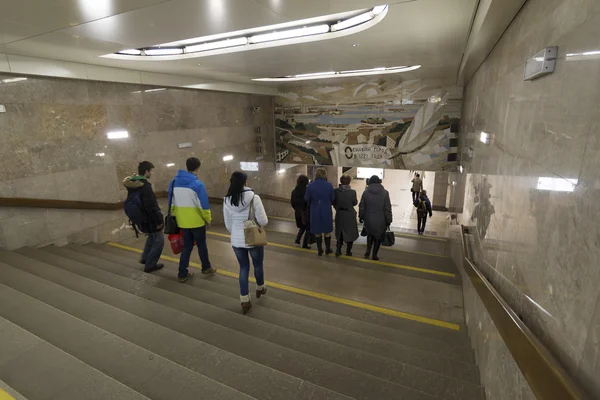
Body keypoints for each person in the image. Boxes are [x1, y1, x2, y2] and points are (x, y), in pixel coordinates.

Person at [224, 172, 269, 314]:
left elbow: (228, 224)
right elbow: (263, 221)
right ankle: (260, 286)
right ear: (245, 182)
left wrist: (237, 233)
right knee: (257, 264)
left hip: (236, 241)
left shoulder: (226, 200)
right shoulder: (254, 198)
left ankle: (244, 299)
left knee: (243, 268)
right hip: (253, 240)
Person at [168, 157, 216, 282]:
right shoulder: (198, 185)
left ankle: (182, 273)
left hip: (182, 222)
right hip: (197, 222)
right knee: (201, 245)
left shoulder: (173, 182)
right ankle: (206, 267)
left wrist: (175, 215)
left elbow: (171, 203)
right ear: (198, 168)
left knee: (187, 246)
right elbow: (204, 205)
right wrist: (208, 219)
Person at [123, 161, 164, 273]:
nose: (152, 173)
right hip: (150, 219)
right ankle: (150, 265)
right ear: (146, 171)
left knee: (151, 237)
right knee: (159, 241)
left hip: (141, 218)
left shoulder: (133, 184)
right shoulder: (145, 187)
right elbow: (151, 206)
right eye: (151, 171)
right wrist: (159, 220)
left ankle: (145, 258)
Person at [359, 175, 392, 261]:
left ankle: (367, 251)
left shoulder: (365, 192)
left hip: (368, 219)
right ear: (379, 182)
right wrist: (389, 220)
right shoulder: (385, 193)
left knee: (370, 235)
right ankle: (374, 254)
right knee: (378, 237)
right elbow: (387, 208)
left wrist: (361, 216)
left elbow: (362, 206)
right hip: (381, 220)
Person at [305, 168, 335, 256]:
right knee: (327, 232)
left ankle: (319, 250)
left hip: (315, 211)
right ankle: (328, 249)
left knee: (317, 232)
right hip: (326, 210)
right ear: (325, 175)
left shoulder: (310, 186)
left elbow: (306, 198)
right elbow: (333, 198)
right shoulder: (329, 185)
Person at [333, 175, 359, 257]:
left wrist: (337, 208)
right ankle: (348, 251)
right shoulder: (352, 192)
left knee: (339, 232)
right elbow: (354, 203)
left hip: (340, 213)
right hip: (349, 214)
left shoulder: (336, 191)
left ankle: (338, 250)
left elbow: (333, 202)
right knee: (350, 232)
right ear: (349, 181)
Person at [291, 175, 311, 249]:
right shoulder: (307, 190)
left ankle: (297, 239)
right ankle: (305, 244)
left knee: (302, 227)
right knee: (308, 228)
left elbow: (292, 202)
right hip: (305, 212)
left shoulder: (294, 191)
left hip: (297, 212)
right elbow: (308, 201)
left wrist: (297, 209)